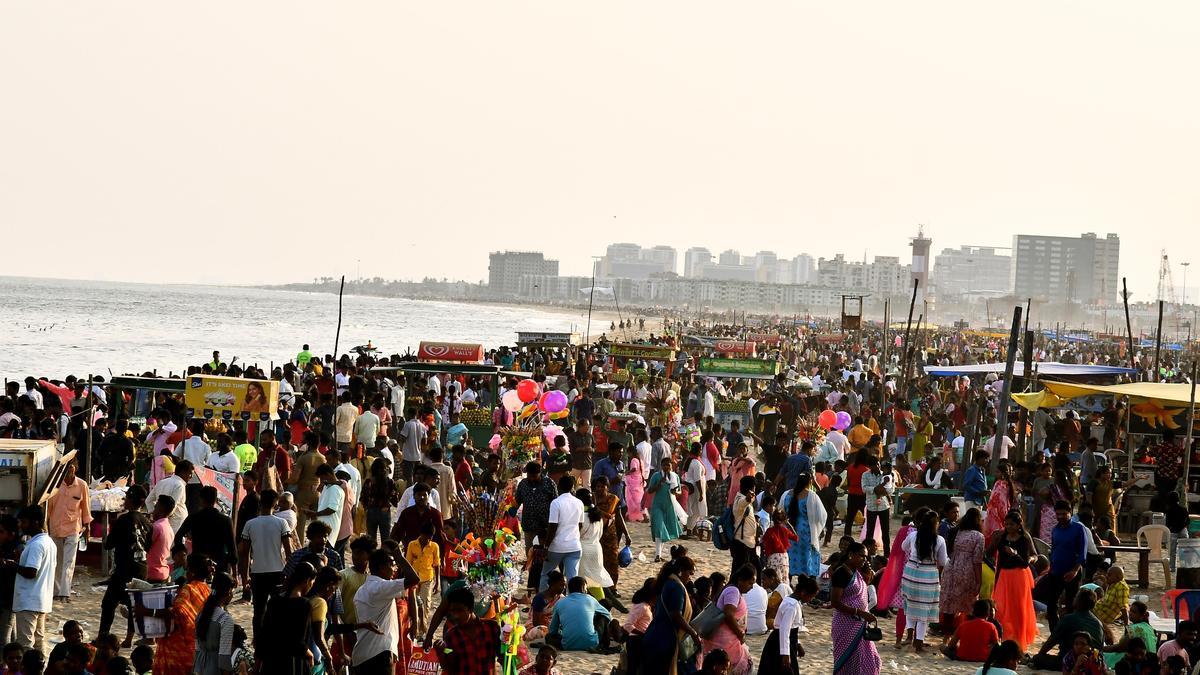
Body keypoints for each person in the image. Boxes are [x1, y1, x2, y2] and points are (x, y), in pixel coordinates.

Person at [141, 554, 212, 675]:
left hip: (179, 649)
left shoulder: (189, 589)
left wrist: (147, 611)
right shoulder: (207, 590)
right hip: (197, 647)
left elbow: (177, 612)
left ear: (191, 571)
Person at [353, 548, 420, 674]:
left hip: (362, 654)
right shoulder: (381, 587)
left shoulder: (362, 590)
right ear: (382, 567)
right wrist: (400, 557)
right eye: (392, 565)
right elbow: (414, 579)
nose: (395, 569)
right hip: (379, 654)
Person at [237, 489, 294, 639]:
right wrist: (289, 575)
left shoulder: (250, 524)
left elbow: (244, 553)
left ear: (260, 503)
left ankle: (258, 643)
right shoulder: (282, 523)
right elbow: (289, 552)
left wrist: (245, 577)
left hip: (257, 573)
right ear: (276, 504)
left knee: (259, 612)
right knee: (278, 611)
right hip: (278, 572)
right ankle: (276, 640)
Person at [99, 485, 150, 645]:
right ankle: (128, 638)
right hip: (141, 568)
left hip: (124, 569)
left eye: (126, 497)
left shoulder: (123, 520)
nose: (124, 500)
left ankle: (103, 636)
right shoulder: (147, 522)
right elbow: (148, 545)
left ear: (130, 499)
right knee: (133, 604)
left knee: (109, 603)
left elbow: (108, 544)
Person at [986, 509, 1039, 653]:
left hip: (1019, 576)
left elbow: (1030, 559)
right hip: (1004, 575)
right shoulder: (1002, 536)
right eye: (1007, 524)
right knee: (1001, 607)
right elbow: (989, 553)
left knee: (1018, 609)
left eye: (1011, 524)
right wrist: (995, 540)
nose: (1008, 527)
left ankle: (1018, 640)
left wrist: (1017, 555)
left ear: (1018, 525)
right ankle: (1003, 638)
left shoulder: (1024, 538)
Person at [638, 556, 701, 675]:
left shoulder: (668, 583)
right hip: (664, 640)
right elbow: (676, 615)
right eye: (690, 573)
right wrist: (693, 633)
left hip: (654, 637)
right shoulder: (676, 586)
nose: (690, 578)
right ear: (681, 570)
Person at [1035, 500, 1089, 630]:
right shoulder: (1055, 530)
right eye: (1058, 514)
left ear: (1070, 513)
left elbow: (1083, 553)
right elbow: (1054, 550)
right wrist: (1051, 569)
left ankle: (1070, 634)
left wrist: (1074, 571)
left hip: (1072, 572)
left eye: (1063, 514)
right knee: (1051, 605)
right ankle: (1055, 633)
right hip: (1055, 572)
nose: (1060, 517)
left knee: (1071, 605)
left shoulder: (1078, 529)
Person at [899, 509, 948, 653]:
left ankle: (910, 636)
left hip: (911, 572)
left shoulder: (914, 535)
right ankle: (918, 642)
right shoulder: (939, 540)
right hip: (928, 575)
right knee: (924, 610)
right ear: (936, 524)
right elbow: (943, 561)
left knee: (910, 604)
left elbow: (903, 547)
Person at [830, 541, 881, 675]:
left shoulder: (856, 572)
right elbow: (835, 602)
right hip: (846, 625)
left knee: (872, 660)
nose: (864, 559)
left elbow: (865, 584)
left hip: (860, 624)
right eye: (861, 556)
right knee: (850, 663)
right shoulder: (841, 573)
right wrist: (859, 612)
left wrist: (868, 570)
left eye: (866, 557)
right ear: (851, 555)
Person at [45, 458, 90, 604]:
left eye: (72, 467)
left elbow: (85, 508)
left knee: (69, 562)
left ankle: (65, 593)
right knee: (57, 561)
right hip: (56, 528)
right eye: (67, 468)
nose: (69, 471)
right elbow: (49, 509)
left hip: (73, 528)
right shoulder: (55, 485)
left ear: (75, 468)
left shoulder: (82, 485)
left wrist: (87, 527)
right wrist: (46, 527)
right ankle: (56, 592)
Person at [12, 505, 54, 654]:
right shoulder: (49, 542)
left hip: (29, 601)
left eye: (24, 522)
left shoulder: (37, 545)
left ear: (35, 522)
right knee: (38, 643)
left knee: (26, 645)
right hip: (40, 600)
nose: (21, 526)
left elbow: (31, 572)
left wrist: (12, 565)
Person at [758, 574, 818, 675]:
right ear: (803, 593)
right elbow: (784, 630)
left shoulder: (792, 601)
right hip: (780, 642)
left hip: (788, 640)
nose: (811, 599)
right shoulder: (791, 606)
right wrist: (785, 654)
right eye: (811, 596)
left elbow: (792, 627)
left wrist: (798, 644)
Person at [1032, 588, 1104, 671]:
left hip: (1072, 661)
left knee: (1038, 659)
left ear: (1078, 601)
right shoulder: (1098, 623)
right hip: (1094, 663)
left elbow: (1051, 641)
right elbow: (1100, 647)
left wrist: (1040, 655)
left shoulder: (1069, 619)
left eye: (1076, 597)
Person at [940, 507, 986, 638]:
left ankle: (946, 638)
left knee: (949, 605)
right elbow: (977, 560)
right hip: (967, 571)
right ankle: (968, 636)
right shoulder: (979, 537)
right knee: (970, 605)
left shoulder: (956, 531)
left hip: (951, 569)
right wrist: (979, 581)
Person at [438, 587, 503, 674]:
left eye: (460, 610)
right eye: (452, 611)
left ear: (471, 608)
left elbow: (503, 657)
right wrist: (440, 654)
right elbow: (449, 668)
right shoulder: (452, 635)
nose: (455, 615)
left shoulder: (491, 628)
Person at [174, 485, 237, 572]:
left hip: (198, 564)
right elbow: (232, 547)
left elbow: (178, 536)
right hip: (219, 566)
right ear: (215, 500)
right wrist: (234, 572)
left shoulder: (194, 518)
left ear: (201, 499)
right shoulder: (226, 520)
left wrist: (183, 555)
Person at [547, 576, 615, 652]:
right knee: (603, 616)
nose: (586, 590)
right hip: (592, 643)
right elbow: (608, 615)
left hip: (568, 645)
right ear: (583, 588)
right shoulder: (590, 599)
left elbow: (552, 630)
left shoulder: (560, 602)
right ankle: (604, 643)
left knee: (549, 637)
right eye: (586, 588)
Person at [542, 475, 584, 592]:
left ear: (559, 486)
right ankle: (572, 600)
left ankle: (543, 599)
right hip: (574, 546)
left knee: (545, 574)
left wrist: (546, 546)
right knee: (572, 579)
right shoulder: (579, 503)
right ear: (572, 487)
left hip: (557, 546)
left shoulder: (556, 503)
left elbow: (553, 526)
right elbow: (580, 525)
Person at [192, 572, 237, 675]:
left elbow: (197, 649)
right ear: (229, 591)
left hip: (200, 667)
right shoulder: (225, 619)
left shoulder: (201, 615)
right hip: (214, 669)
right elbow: (224, 657)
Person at [592, 477, 630, 593]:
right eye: (597, 486)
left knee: (612, 562)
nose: (599, 489)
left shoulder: (613, 499)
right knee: (597, 562)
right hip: (594, 536)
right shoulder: (591, 499)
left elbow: (619, 517)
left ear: (607, 487)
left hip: (610, 535)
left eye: (602, 486)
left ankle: (613, 588)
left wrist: (626, 534)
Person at [405, 522, 440, 636]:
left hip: (427, 579)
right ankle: (416, 628)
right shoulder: (412, 545)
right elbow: (408, 563)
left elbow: (437, 564)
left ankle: (422, 631)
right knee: (414, 605)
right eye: (427, 537)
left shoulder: (434, 546)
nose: (428, 540)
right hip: (413, 579)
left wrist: (437, 582)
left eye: (430, 537)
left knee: (425, 604)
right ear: (421, 534)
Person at [648, 457, 683, 562]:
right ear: (661, 466)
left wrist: (675, 492)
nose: (666, 467)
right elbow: (649, 490)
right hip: (657, 506)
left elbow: (679, 491)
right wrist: (659, 484)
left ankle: (659, 554)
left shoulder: (675, 477)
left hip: (669, 507)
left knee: (665, 530)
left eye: (668, 465)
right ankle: (657, 555)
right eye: (664, 465)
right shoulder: (656, 476)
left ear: (672, 466)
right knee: (659, 528)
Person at [1103, 601, 1156, 670]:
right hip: (1150, 659)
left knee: (1104, 656)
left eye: (1134, 612)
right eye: (1130, 610)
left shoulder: (1133, 628)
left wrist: (1102, 648)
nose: (1130, 613)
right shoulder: (1149, 627)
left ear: (1141, 615)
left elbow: (1119, 648)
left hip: (1139, 660)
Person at [860, 455, 894, 551]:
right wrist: (876, 489)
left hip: (884, 506)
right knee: (870, 531)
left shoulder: (886, 474)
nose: (878, 467)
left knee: (885, 531)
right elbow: (864, 489)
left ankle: (887, 552)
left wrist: (880, 490)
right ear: (870, 466)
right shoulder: (865, 475)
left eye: (878, 464)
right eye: (875, 466)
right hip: (871, 506)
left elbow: (891, 489)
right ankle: (868, 551)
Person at [362, 457, 399, 546]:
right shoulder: (390, 482)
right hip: (385, 512)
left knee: (371, 540)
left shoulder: (369, 482)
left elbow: (364, 498)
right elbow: (395, 500)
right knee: (386, 540)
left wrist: (366, 507)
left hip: (371, 511)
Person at [730, 475, 761, 577]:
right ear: (751, 488)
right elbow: (743, 503)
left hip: (749, 543)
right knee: (738, 574)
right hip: (742, 543)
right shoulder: (740, 499)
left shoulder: (744, 500)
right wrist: (748, 499)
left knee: (756, 570)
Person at [1094, 566, 1131, 644]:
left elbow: (1123, 608)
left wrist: (1127, 628)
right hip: (1096, 613)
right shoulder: (1112, 584)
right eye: (1107, 574)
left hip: (1098, 617)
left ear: (1118, 577)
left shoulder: (1121, 587)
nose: (1107, 576)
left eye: (1109, 575)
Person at [762, 508, 799, 584]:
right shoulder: (785, 530)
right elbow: (796, 538)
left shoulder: (770, 530)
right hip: (784, 557)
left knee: (773, 580)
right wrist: (789, 525)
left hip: (773, 557)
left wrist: (765, 558)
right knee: (784, 579)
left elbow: (765, 544)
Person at [985, 461, 1017, 539]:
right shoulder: (1006, 484)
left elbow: (999, 501)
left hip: (996, 512)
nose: (996, 474)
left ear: (1003, 473)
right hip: (999, 512)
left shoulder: (1000, 484)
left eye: (998, 472)